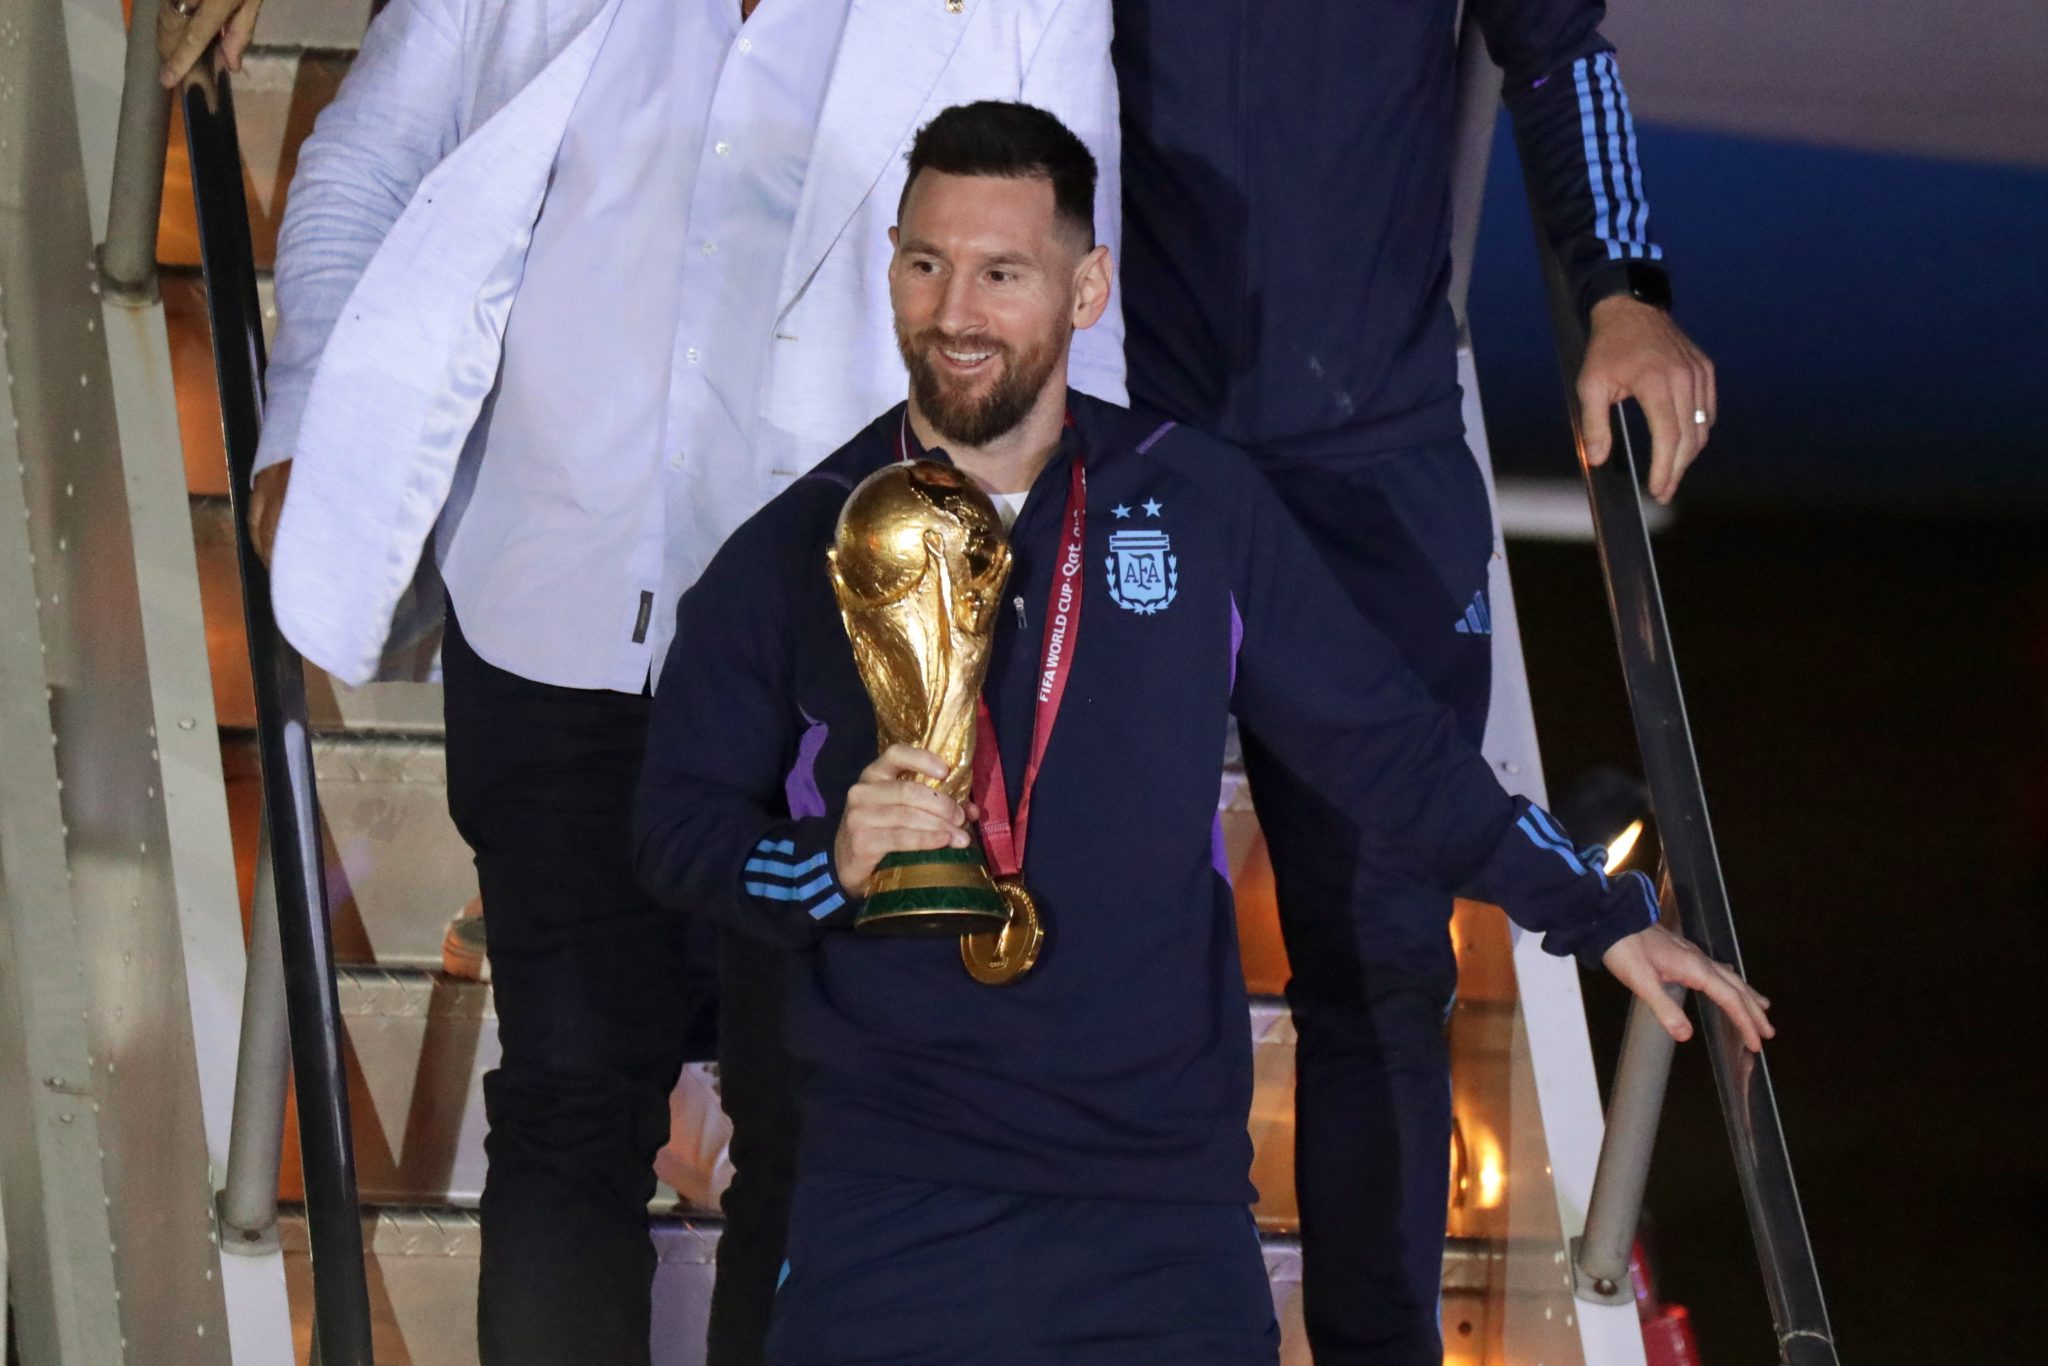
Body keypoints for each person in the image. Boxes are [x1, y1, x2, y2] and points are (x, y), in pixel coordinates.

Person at [634, 100, 1771, 1366]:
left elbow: (1385, 748)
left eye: (1002, 272)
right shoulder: (802, 539)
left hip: (1160, 1220)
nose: (954, 310)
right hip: (892, 1208)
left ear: (1086, 288)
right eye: (924, 263)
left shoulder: (1193, 501)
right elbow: (675, 829)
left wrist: (1597, 914)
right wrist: (826, 864)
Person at [250, 2, 1124, 1361]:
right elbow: (370, 153)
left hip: (839, 661)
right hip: (552, 603)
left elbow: (1065, 299)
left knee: (814, 1129)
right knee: (566, 1098)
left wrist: (1043, 631)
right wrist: (308, 419)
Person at [1112, 4, 1718, 1358]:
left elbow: (1558, 46)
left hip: (1370, 474)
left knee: (1379, 972)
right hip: (1139, 448)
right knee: (1112, 949)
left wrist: (1623, 290)